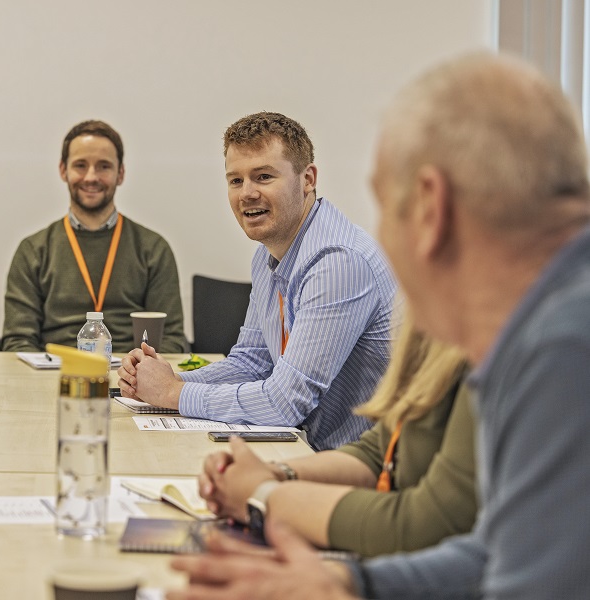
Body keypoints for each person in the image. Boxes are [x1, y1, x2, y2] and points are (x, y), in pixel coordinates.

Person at [167, 53, 590, 600]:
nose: (380, 242)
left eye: (385, 205)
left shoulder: (559, 346)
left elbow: (453, 535)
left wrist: (268, 499)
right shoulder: (530, 318)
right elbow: (486, 551)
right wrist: (348, 581)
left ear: (431, 209)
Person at [118, 112, 397, 450]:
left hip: (365, 473)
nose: (246, 194)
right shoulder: (269, 255)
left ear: (307, 179)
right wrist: (170, 379)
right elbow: (251, 363)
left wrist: (172, 393)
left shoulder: (338, 262)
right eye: (235, 180)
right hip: (308, 452)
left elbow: (285, 403)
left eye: (263, 176)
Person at [198, 316, 475, 557]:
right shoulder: (437, 321)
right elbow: (379, 452)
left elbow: (429, 525)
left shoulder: (495, 343)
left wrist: (263, 496)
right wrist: (273, 473)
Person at [1, 119, 186, 353]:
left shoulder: (153, 249)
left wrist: (139, 373)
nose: (91, 177)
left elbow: (172, 339)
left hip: (131, 380)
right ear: (62, 170)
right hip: (55, 377)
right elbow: (17, 341)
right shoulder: (33, 250)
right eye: (80, 165)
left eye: (103, 166)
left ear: (120, 173)